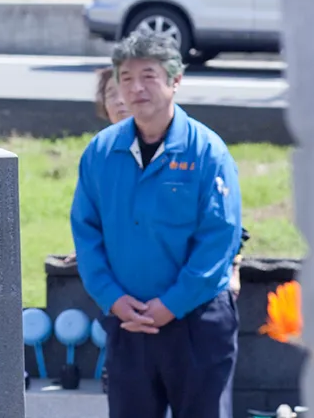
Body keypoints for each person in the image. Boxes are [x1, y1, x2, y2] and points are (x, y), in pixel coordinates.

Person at [71, 31, 243, 418]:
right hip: (128, 322)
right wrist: (111, 298)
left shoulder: (207, 152)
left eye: (148, 75)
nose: (136, 87)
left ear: (175, 80)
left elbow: (219, 239)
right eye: (126, 77)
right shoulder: (101, 151)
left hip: (196, 321)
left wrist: (172, 304)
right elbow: (86, 231)